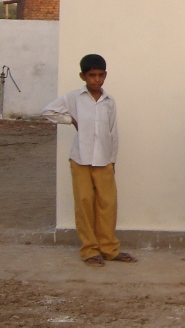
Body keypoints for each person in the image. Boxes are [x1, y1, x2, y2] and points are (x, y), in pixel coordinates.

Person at [41, 54, 137, 267]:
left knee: (107, 204)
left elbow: (113, 132)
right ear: (83, 76)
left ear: (105, 75)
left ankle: (109, 249)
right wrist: (69, 119)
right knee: (84, 204)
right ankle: (89, 250)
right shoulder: (74, 98)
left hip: (104, 160)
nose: (96, 80)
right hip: (80, 159)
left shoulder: (109, 102)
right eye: (91, 75)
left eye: (100, 75)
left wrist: (112, 160)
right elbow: (47, 111)